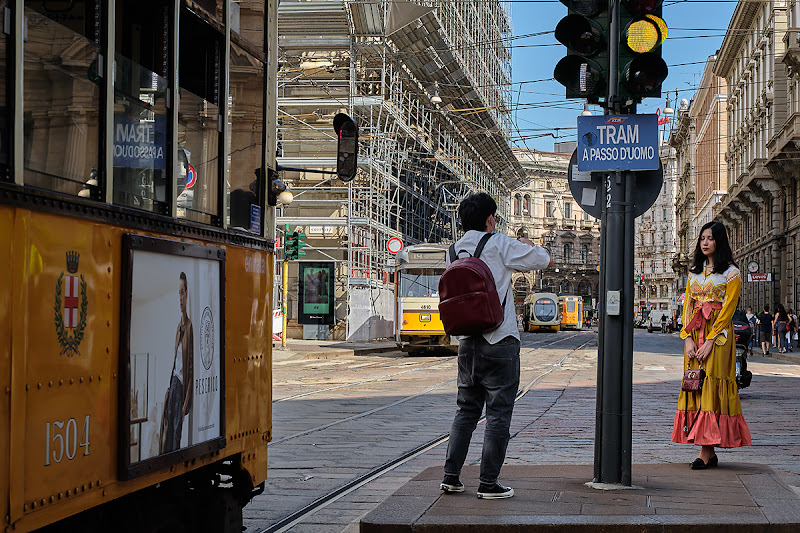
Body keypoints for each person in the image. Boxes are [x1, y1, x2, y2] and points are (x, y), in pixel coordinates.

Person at [440, 193, 552, 499]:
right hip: (499, 339)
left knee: (465, 411)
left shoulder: (452, 251)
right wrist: (529, 246)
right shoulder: (500, 243)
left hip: (467, 343)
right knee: (499, 414)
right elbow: (543, 259)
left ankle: (451, 477)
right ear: (491, 219)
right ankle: (488, 483)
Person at [672, 221, 751, 469]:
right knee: (695, 384)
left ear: (719, 241)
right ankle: (708, 451)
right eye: (702, 238)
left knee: (712, 385)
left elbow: (727, 311)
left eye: (710, 238)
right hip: (695, 334)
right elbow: (687, 307)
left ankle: (705, 452)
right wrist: (687, 339)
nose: (704, 242)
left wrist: (710, 341)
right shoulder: (694, 272)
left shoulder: (731, 273)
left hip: (719, 338)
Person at [161, 272, 194, 454]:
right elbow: (176, 362)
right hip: (174, 385)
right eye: (178, 293)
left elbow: (190, 369)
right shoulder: (178, 327)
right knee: (167, 434)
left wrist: (184, 405)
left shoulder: (189, 327)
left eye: (183, 292)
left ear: (187, 294)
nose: (180, 298)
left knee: (175, 435)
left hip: (181, 388)